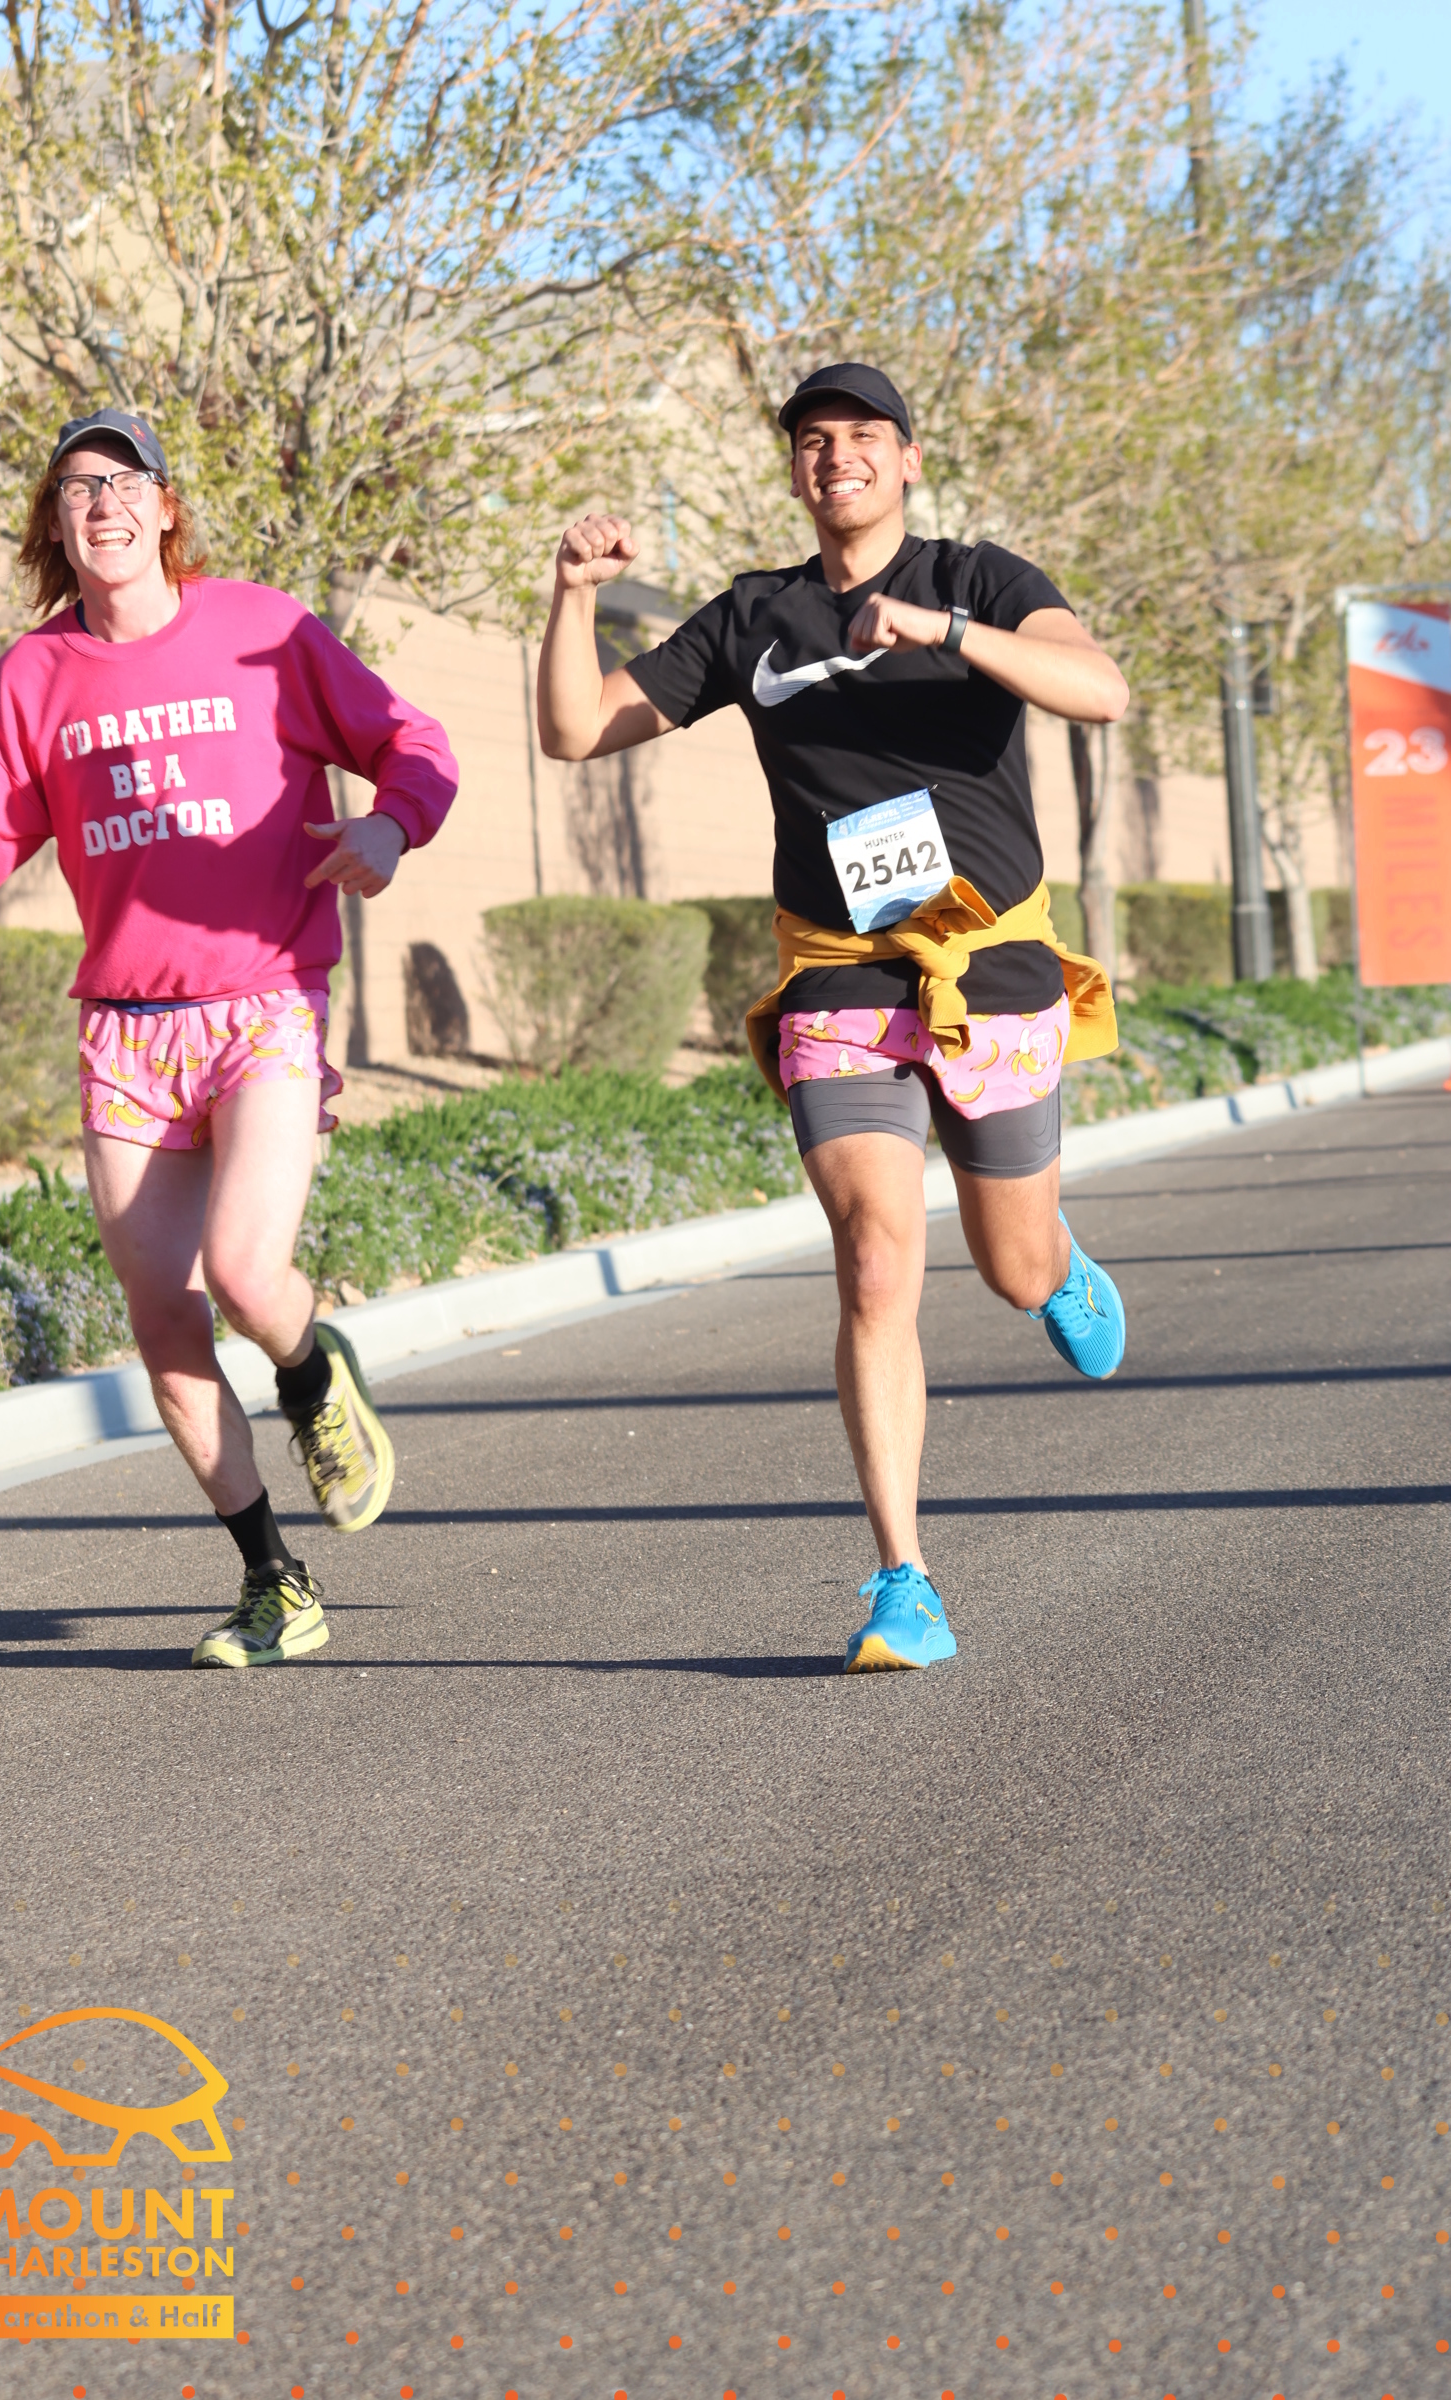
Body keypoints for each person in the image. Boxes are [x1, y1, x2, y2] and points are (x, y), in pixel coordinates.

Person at [536, 361, 1128, 1673]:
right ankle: (903, 1580)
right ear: (794, 467)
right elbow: (575, 732)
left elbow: (1101, 690)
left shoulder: (980, 579)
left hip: (988, 960)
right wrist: (571, 595)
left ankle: (1056, 1261)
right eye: (812, 438)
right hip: (841, 970)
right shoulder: (757, 616)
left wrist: (948, 634)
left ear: (907, 458)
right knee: (872, 1259)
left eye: (863, 434)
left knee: (1011, 1269)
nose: (836, 455)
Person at [0, 407, 458, 1668]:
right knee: (164, 1317)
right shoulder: (33, 677)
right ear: (55, 526)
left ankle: (311, 1375)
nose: (98, 502)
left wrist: (389, 824)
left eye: (121, 480)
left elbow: (413, 743)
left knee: (246, 1274)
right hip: (127, 1032)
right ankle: (274, 1581)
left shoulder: (266, 630)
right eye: (73, 487)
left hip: (264, 1001)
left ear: (162, 508)